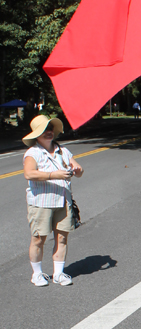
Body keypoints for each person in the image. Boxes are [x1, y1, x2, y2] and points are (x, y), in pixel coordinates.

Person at [23, 115, 84, 287]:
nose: (48, 132)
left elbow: (78, 169)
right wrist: (53, 175)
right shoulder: (33, 153)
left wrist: (78, 170)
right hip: (41, 202)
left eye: (50, 129)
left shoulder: (62, 150)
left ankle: (58, 273)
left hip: (62, 200)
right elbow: (29, 173)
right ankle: (37, 274)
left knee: (62, 238)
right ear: (37, 134)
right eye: (44, 130)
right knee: (38, 239)